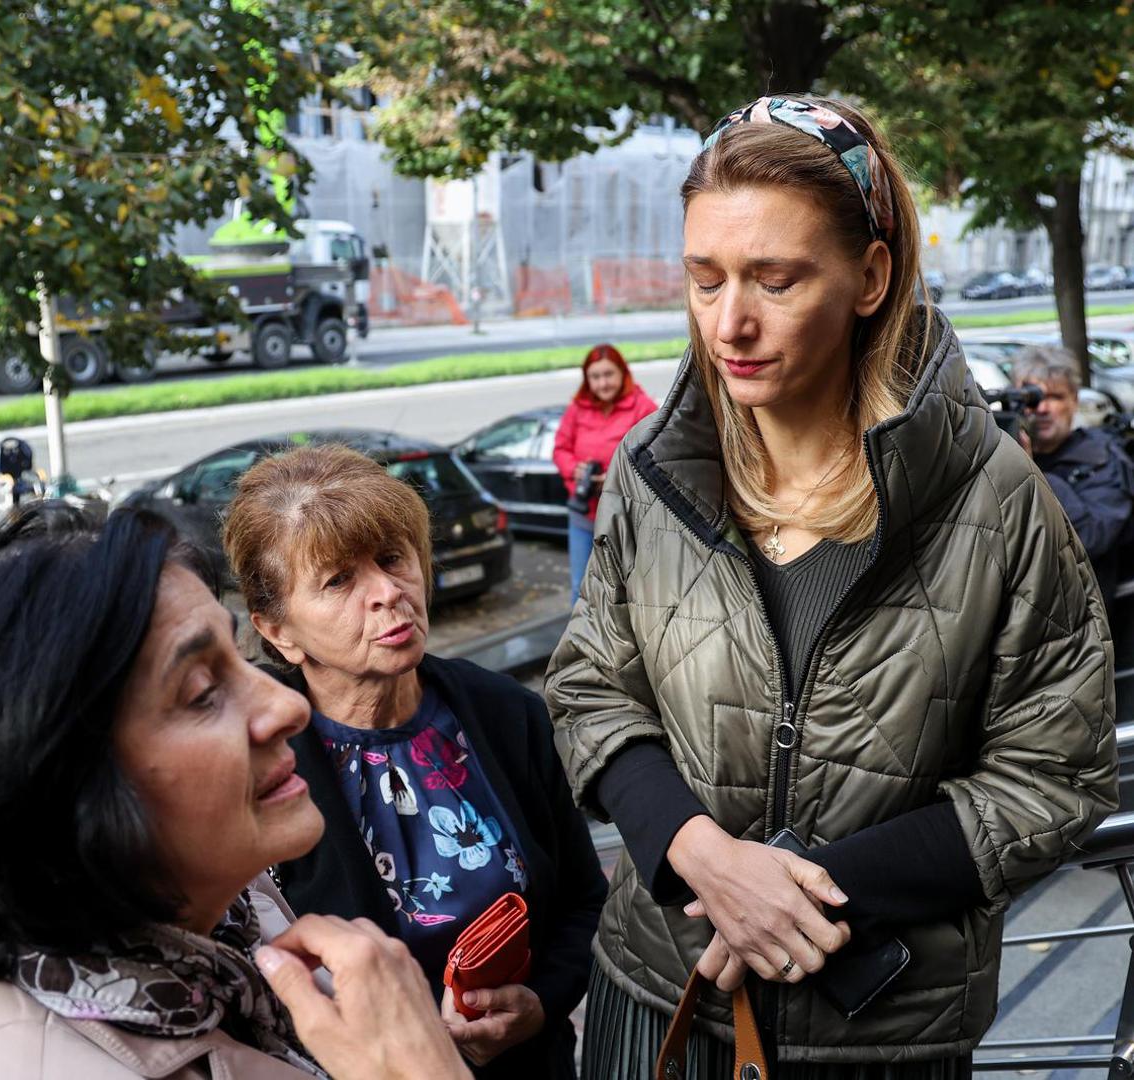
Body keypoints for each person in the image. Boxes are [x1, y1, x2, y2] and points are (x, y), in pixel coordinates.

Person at [546, 95, 1117, 1077]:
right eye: (704, 278)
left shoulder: (999, 503)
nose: (731, 322)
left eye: (775, 279)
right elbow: (590, 686)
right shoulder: (652, 470)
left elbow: (1052, 779)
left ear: (870, 275)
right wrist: (700, 855)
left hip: (880, 1035)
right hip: (659, 1002)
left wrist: (801, 893)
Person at [0, 504, 473, 1080]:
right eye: (201, 693)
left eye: (238, 659)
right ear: (56, 799)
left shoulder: (224, 920)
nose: (285, 706)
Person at [222, 445, 607, 1078]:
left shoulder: (506, 713)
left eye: (393, 558)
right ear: (278, 631)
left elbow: (583, 902)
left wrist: (538, 1003)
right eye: (339, 580)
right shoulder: (255, 757)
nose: (387, 593)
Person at [1011, 344, 1134, 600]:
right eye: (1032, 398)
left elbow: (1092, 537)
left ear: (1075, 401)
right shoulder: (1005, 455)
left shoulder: (1103, 456)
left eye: (1055, 397)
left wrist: (1030, 470)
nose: (1042, 408)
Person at [553, 344, 659, 600]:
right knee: (582, 588)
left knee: (628, 590)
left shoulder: (642, 407)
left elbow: (657, 455)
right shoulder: (578, 408)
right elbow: (560, 449)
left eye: (608, 374)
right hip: (584, 515)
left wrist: (616, 473)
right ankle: (582, 640)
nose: (602, 384)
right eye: (595, 377)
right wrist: (574, 469)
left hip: (626, 518)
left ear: (623, 373)